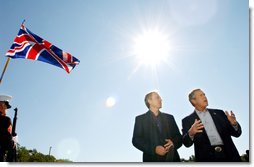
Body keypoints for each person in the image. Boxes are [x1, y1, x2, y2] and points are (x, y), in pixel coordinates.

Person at [182, 89, 242, 162]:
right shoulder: (187, 120)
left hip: (230, 156)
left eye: (204, 94)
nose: (205, 97)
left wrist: (234, 124)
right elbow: (186, 143)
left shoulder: (219, 113)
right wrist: (190, 133)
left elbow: (237, 134)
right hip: (206, 159)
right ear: (194, 101)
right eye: (201, 95)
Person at [132, 91, 182, 162]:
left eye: (160, 98)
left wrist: (173, 143)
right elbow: (136, 140)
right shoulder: (140, 119)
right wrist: (154, 149)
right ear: (149, 101)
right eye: (157, 98)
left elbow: (179, 137)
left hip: (173, 159)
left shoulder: (170, 118)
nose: (161, 100)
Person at [0, 95, 15, 162]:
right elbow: (8, 141)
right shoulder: (6, 120)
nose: (6, 110)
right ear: (1, 106)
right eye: (5, 107)